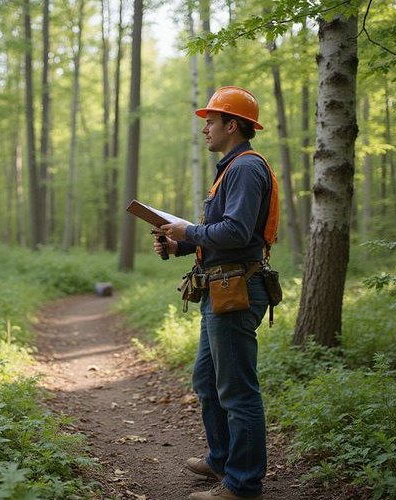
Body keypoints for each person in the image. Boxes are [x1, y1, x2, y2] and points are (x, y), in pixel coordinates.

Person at [154, 86, 273, 500]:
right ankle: (222, 459)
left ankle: (242, 484)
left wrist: (189, 230)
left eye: (212, 121)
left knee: (237, 390)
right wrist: (181, 244)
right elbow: (225, 234)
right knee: (207, 380)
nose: (205, 128)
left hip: (236, 288)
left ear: (232, 125)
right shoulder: (231, 168)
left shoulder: (244, 168)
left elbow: (238, 232)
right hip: (220, 285)